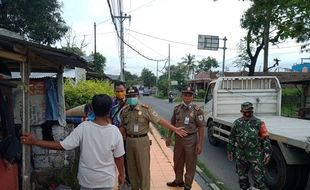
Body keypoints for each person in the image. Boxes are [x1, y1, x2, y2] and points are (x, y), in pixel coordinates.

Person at [21, 94, 125, 190]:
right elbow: (119, 158)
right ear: (110, 109)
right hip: (106, 181)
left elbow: (63, 145)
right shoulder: (114, 131)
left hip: (87, 181)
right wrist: (121, 174)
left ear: (92, 108)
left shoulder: (84, 127)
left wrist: (36, 141)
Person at [119, 86, 187, 190]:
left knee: (143, 169)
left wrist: (175, 129)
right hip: (129, 141)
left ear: (138, 96)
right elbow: (123, 127)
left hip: (142, 141)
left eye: (133, 95)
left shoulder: (146, 109)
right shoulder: (124, 111)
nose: (131, 98)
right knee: (131, 169)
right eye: (129, 96)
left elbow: (159, 120)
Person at [166, 87, 205, 190]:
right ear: (182, 96)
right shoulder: (177, 108)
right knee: (177, 161)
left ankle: (187, 185)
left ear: (192, 97)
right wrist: (168, 137)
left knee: (190, 164)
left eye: (189, 95)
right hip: (178, 139)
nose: (187, 97)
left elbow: (201, 127)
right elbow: (173, 123)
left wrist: (199, 144)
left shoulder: (197, 110)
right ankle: (178, 180)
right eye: (185, 95)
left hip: (191, 140)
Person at [227, 102, 272, 190]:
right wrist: (230, 151)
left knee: (259, 180)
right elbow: (232, 138)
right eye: (246, 111)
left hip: (255, 155)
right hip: (241, 154)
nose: (248, 113)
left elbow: (266, 138)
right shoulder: (237, 123)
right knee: (242, 179)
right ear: (241, 111)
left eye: (250, 111)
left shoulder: (259, 123)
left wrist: (267, 153)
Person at [110, 81, 131, 185]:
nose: (120, 93)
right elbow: (107, 117)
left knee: (126, 158)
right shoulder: (111, 103)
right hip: (113, 136)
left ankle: (127, 179)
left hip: (126, 136)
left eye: (122, 91)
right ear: (114, 91)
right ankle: (115, 178)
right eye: (117, 91)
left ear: (125, 91)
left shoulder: (130, 103)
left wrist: (122, 129)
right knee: (114, 158)